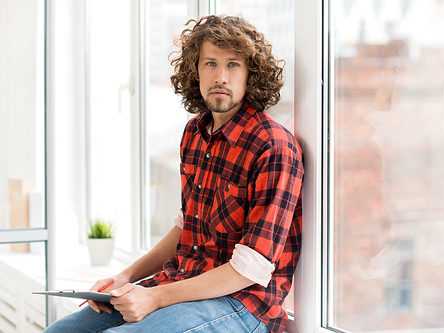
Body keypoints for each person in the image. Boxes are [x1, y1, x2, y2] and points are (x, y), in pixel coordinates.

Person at [44, 14, 304, 333]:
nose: (220, 76)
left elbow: (249, 270)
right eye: (210, 63)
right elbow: (187, 227)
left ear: (251, 73)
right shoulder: (195, 132)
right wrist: (125, 278)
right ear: (195, 70)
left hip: (243, 305)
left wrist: (155, 298)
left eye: (233, 64)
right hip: (180, 283)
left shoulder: (274, 146)